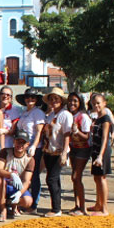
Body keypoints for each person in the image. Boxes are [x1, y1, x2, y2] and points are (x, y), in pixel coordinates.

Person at [42, 88, 72, 217]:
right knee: (53, 179)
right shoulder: (50, 115)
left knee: (51, 179)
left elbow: (67, 134)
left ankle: (56, 209)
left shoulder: (65, 115)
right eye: (52, 99)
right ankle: (56, 205)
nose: (54, 101)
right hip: (49, 150)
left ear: (61, 100)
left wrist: (64, 152)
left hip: (58, 151)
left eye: (56, 99)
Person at [16, 88, 46, 213]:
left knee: (34, 177)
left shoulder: (38, 113)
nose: (30, 100)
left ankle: (34, 204)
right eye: (28, 97)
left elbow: (39, 131)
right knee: (23, 175)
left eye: (33, 98)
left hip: (34, 149)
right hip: (23, 147)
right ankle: (24, 202)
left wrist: (34, 145)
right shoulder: (24, 113)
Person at [0, 130, 35, 221]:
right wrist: (11, 174)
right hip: (5, 184)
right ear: (14, 141)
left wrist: (20, 192)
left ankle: (12, 205)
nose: (20, 145)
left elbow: (27, 180)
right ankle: (2, 209)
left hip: (17, 187)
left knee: (28, 201)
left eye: (23, 143)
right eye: (18, 141)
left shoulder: (30, 160)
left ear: (27, 144)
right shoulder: (5, 152)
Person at [66, 91, 92, 216]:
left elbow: (87, 136)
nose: (72, 103)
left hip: (83, 148)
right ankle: (77, 205)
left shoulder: (83, 117)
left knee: (77, 176)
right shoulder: (68, 115)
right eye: (70, 100)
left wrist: (76, 131)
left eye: (75, 101)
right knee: (74, 177)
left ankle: (82, 207)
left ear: (80, 103)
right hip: (73, 148)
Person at [89, 94, 112, 216]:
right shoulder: (97, 118)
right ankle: (98, 203)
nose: (96, 105)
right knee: (96, 177)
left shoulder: (105, 118)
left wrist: (100, 156)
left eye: (98, 103)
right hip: (95, 150)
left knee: (102, 178)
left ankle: (104, 208)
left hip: (102, 152)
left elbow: (104, 138)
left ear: (104, 103)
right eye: (94, 103)